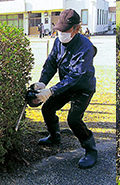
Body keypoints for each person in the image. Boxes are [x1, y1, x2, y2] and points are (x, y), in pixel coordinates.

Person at [30, 9, 98, 169]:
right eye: (59, 30)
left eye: (65, 31)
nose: (61, 34)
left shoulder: (85, 47)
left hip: (83, 88)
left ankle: (91, 150)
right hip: (65, 86)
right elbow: (51, 62)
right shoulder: (58, 42)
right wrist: (42, 83)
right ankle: (54, 137)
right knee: (47, 108)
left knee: (74, 119)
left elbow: (75, 76)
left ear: (76, 29)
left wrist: (51, 91)